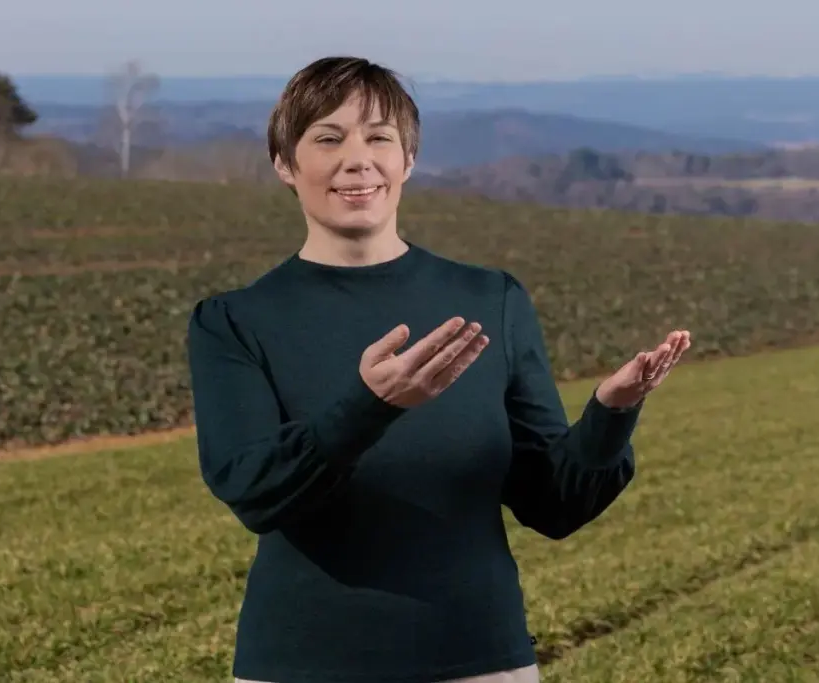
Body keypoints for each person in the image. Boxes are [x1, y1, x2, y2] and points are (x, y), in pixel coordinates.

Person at [186, 56, 690, 683]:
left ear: (408, 160)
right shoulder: (234, 322)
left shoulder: (490, 301)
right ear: (285, 164)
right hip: (302, 663)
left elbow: (552, 505)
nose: (358, 159)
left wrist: (610, 414)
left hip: (481, 660)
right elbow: (255, 491)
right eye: (327, 138)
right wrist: (370, 404)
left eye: (379, 137)